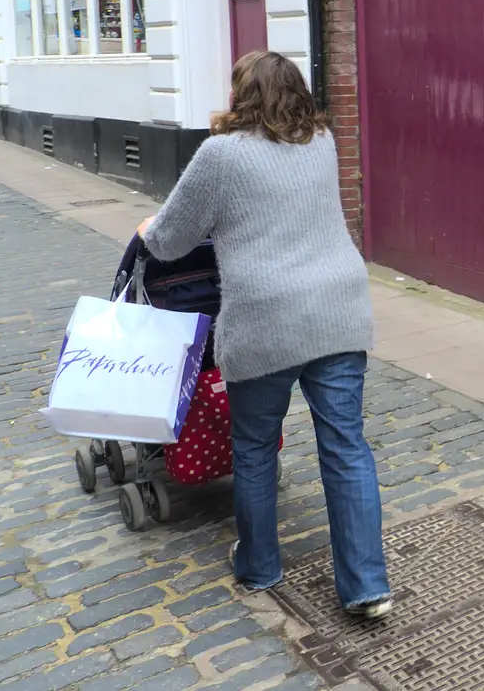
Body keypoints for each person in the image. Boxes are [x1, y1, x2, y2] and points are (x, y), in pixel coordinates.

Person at [138, 50, 391, 619]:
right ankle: (366, 586)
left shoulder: (221, 155)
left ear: (241, 94)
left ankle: (259, 565)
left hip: (266, 319)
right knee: (347, 448)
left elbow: (172, 240)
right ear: (296, 91)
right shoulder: (320, 142)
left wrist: (146, 231)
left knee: (252, 449)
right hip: (338, 309)